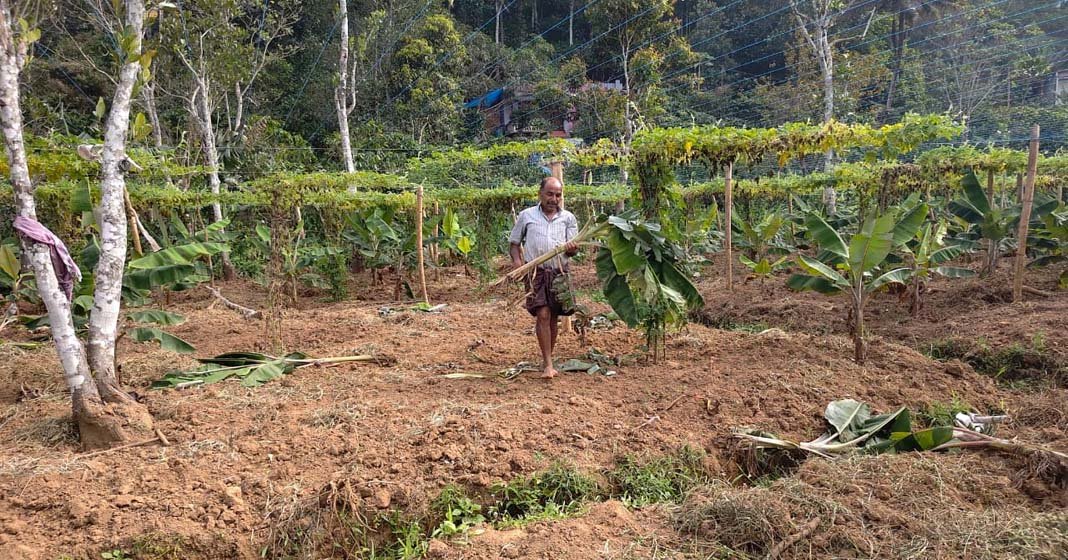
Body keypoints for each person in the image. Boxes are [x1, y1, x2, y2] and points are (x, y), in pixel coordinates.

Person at [508, 177, 579, 379]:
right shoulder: (527, 216)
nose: (554, 199)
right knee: (543, 314)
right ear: (540, 193)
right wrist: (518, 264)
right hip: (535, 272)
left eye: (558, 195)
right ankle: (548, 363)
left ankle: (548, 358)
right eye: (550, 194)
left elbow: (573, 250)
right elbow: (514, 243)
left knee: (554, 316)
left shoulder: (568, 218)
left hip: (559, 272)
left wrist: (573, 249)